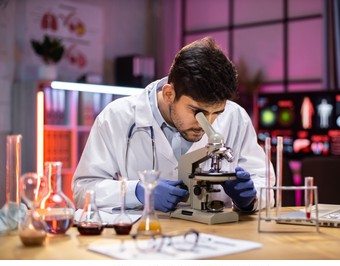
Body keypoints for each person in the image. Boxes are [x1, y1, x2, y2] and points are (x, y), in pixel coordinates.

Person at [72, 36, 275, 213]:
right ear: (169, 94)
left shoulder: (235, 116)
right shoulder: (116, 117)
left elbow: (264, 182)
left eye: (217, 113)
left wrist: (250, 199)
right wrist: (137, 191)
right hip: (145, 239)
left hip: (215, 240)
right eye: (198, 112)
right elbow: (83, 190)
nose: (208, 124)